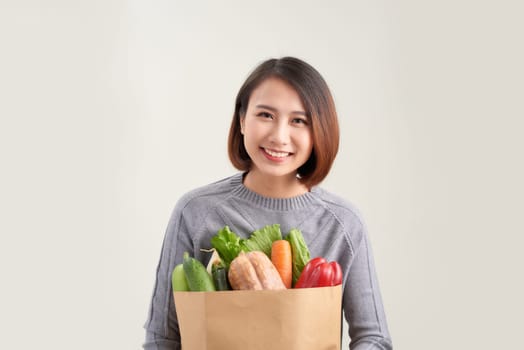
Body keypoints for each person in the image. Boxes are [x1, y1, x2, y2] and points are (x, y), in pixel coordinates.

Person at [143, 56, 393, 350]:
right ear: (241, 121)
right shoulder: (195, 212)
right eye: (266, 115)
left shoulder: (343, 223)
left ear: (318, 133)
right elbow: (162, 339)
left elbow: (373, 339)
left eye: (298, 121)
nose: (279, 136)